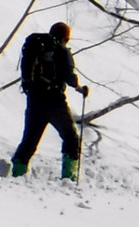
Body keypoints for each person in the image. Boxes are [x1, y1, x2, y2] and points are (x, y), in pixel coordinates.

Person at [11, 21, 88, 180]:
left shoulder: (37, 47)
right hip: (55, 102)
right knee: (71, 138)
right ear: (65, 38)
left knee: (30, 139)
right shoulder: (61, 51)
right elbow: (69, 76)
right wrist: (79, 87)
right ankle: (69, 177)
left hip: (34, 100)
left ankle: (17, 171)